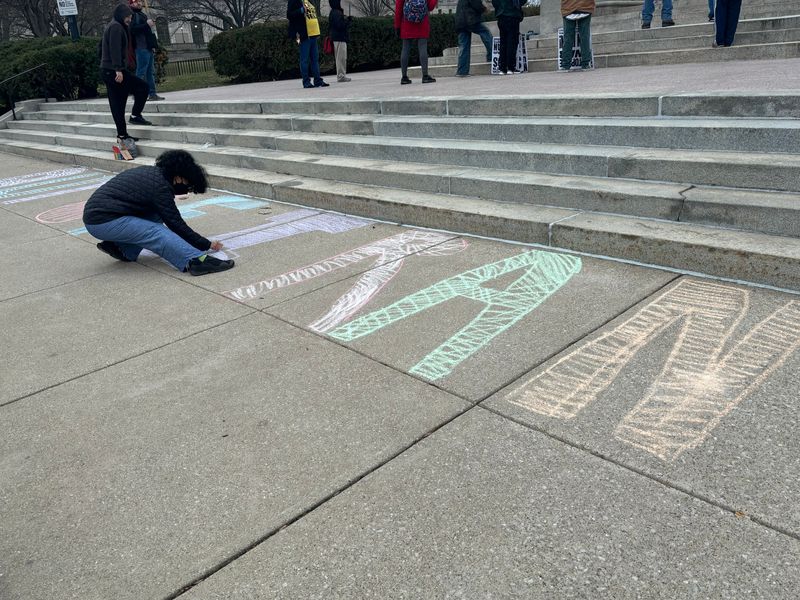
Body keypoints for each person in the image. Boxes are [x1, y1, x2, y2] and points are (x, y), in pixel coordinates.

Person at [82, 150, 234, 276]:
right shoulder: (160, 187)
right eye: (188, 186)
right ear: (179, 177)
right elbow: (176, 224)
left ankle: (123, 249)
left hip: (102, 216)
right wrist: (205, 244)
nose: (186, 189)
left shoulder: (155, 174)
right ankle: (196, 261)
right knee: (155, 231)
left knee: (155, 215)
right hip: (102, 221)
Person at [100, 3, 152, 141]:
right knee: (142, 88)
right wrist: (118, 69)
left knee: (117, 103)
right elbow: (115, 49)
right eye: (128, 17)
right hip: (114, 71)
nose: (130, 19)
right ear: (122, 15)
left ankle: (122, 134)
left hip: (109, 70)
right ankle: (134, 117)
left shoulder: (113, 25)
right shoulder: (116, 27)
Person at [287, 0, 329, 88]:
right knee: (304, 59)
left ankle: (318, 80)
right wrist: (301, 10)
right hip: (303, 35)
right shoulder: (293, 1)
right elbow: (289, 15)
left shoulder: (307, 1)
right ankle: (306, 82)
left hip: (313, 34)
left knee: (315, 59)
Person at [394, 0, 438, 84]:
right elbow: (430, 7)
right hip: (422, 23)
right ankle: (425, 76)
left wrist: (397, 26)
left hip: (406, 23)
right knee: (422, 48)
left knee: (405, 49)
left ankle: (404, 77)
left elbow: (398, 8)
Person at [129, 0, 164, 101]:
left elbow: (147, 32)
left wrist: (152, 44)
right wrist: (147, 25)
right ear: (131, 4)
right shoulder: (133, 15)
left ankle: (152, 93)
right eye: (136, 2)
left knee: (150, 72)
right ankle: (137, 94)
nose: (139, 3)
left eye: (139, 1)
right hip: (141, 47)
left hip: (147, 47)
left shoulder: (141, 14)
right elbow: (133, 30)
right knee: (141, 72)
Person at [454, 0, 493, 77]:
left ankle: (462, 71)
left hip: (461, 22)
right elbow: (476, 4)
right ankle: (492, 56)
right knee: (486, 33)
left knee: (464, 46)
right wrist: (485, 9)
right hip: (470, 20)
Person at [559, 0, 595, 72]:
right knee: (584, 37)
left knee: (568, 38)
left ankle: (565, 65)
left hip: (568, 8)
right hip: (585, 6)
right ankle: (586, 63)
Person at [491, 0, 524, 75]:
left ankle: (502, 68)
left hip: (501, 16)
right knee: (512, 43)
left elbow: (494, 3)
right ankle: (510, 67)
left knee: (503, 43)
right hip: (513, 15)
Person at [329, 0, 352, 82]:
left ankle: (341, 75)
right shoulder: (336, 13)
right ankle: (341, 76)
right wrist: (347, 21)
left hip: (337, 38)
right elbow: (340, 26)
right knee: (341, 58)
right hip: (339, 38)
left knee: (340, 58)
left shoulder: (334, 12)